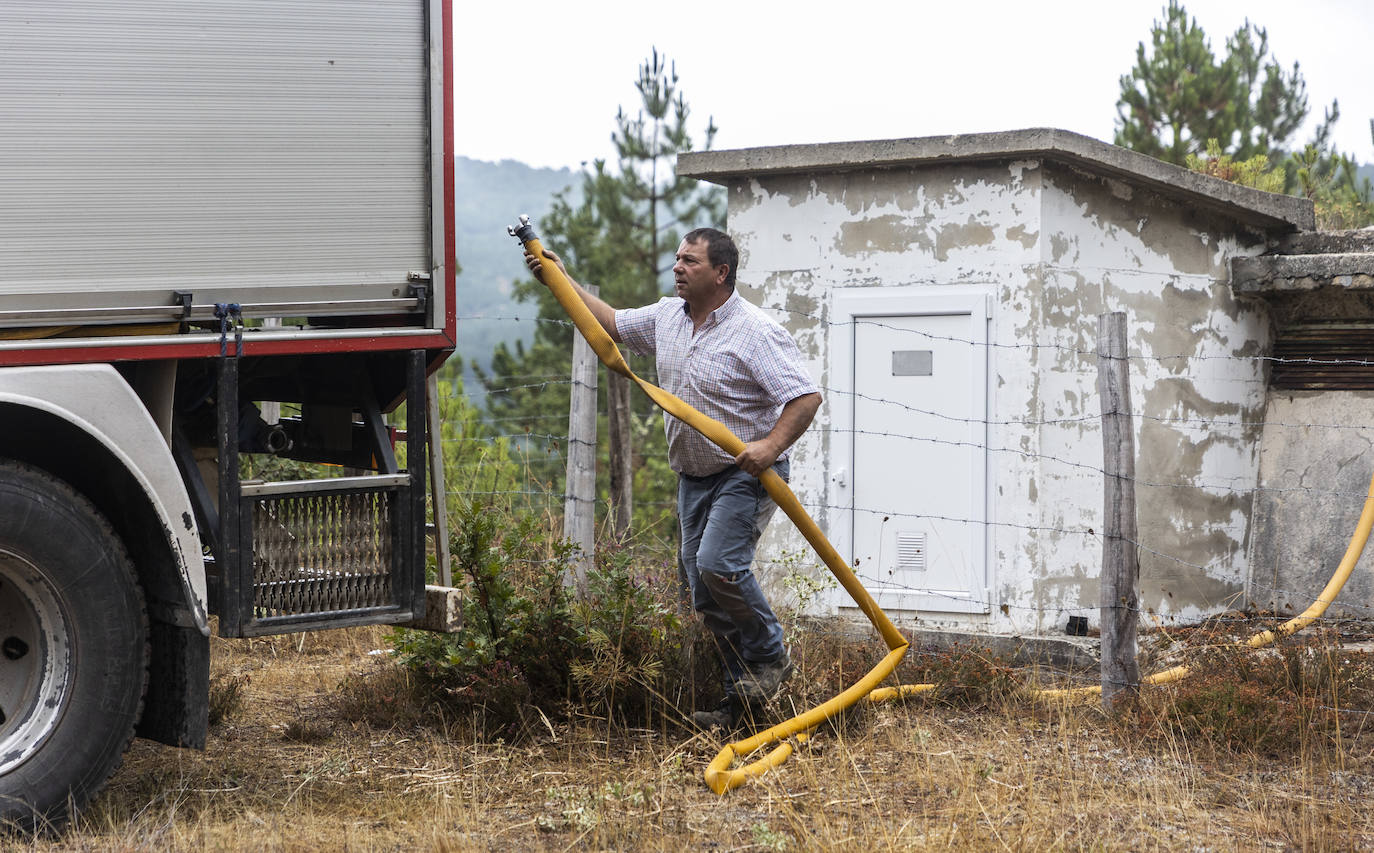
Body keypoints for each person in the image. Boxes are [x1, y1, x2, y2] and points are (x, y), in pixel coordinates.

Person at [525, 227, 823, 730]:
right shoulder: (667, 317)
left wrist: (769, 447)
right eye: (677, 259)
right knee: (703, 593)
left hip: (744, 474)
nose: (677, 268)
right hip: (693, 477)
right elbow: (612, 324)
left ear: (720, 273)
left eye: (689, 261)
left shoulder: (754, 330)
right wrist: (560, 276)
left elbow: (805, 397)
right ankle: (741, 706)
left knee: (718, 567)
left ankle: (771, 656)